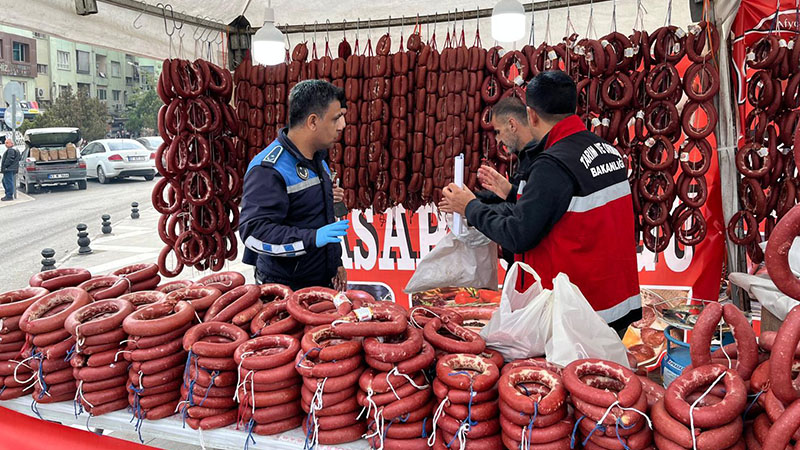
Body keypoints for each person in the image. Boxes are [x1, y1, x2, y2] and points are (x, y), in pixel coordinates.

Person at [440, 71, 641, 335]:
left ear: (531, 115)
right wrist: (513, 193)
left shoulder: (553, 164)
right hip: (614, 305)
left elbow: (518, 235)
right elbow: (564, 209)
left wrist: (469, 207)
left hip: (578, 316)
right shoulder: (606, 151)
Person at [239, 80, 349, 291]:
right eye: (336, 118)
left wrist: (336, 262)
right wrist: (312, 238)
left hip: (320, 280)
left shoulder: (319, 160)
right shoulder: (269, 169)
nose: (342, 125)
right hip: (283, 288)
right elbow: (253, 235)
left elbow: (319, 217)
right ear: (313, 121)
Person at [474, 97, 539, 267]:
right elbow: (523, 198)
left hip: (534, 267)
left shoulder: (541, 160)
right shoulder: (527, 156)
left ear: (512, 125)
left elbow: (526, 214)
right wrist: (482, 198)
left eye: (498, 132)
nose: (497, 140)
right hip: (522, 264)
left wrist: (470, 208)